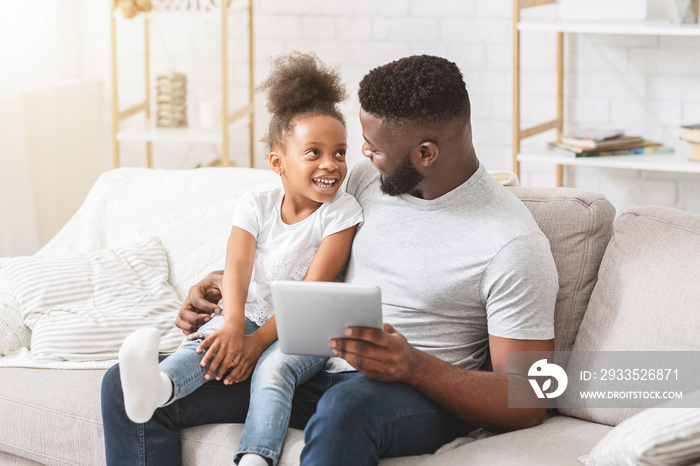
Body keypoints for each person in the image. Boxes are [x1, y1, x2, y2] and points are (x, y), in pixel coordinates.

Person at [102, 54, 558, 465]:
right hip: (308, 363)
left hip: (409, 393)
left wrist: (412, 365)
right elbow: (291, 246)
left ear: (425, 154)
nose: (360, 156)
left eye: (375, 148)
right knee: (124, 387)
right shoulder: (365, 183)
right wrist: (223, 287)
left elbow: (529, 395)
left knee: (345, 409)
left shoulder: (511, 242)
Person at [113, 51, 363, 466]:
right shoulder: (256, 204)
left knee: (272, 369)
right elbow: (238, 267)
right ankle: (158, 389)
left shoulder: (342, 212)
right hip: (248, 312)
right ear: (278, 162)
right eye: (314, 152)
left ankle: (255, 457)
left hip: (305, 327)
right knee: (207, 344)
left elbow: (310, 292)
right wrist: (230, 325)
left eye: (339, 152)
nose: (331, 164)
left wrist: (255, 342)